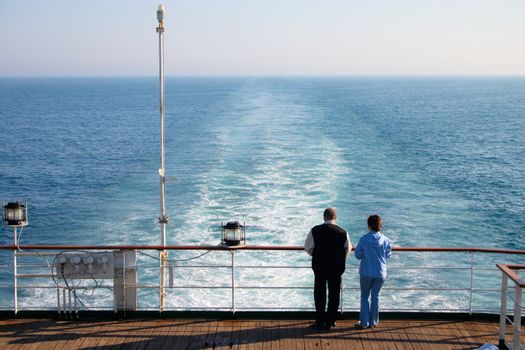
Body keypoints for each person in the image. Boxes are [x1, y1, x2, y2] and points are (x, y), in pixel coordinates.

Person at [305, 208, 351, 330]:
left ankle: (320, 321)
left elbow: (308, 248)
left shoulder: (315, 230)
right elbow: (348, 250)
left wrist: (315, 254)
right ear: (335, 217)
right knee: (334, 294)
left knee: (319, 293)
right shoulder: (343, 232)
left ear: (324, 217)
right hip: (336, 268)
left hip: (320, 266)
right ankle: (330, 321)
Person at [354, 214, 392, 329]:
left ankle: (364, 323)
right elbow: (388, 255)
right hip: (380, 273)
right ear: (380, 226)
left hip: (366, 272)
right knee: (376, 296)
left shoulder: (363, 239)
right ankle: (373, 322)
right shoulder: (385, 240)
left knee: (364, 297)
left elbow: (358, 255)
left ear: (369, 226)